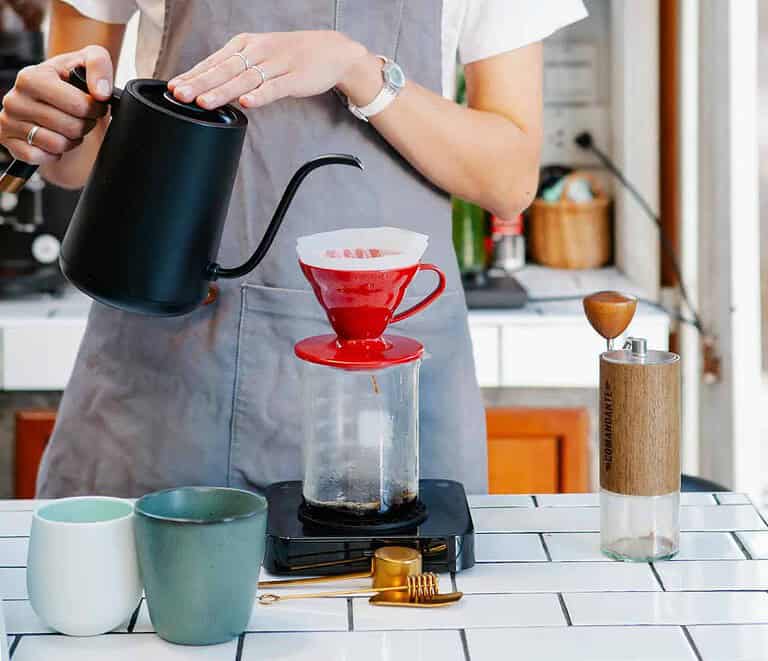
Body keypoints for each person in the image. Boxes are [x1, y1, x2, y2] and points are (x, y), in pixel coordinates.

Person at [0, 0, 587, 497]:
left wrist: (359, 72)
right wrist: (52, 118)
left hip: (383, 375)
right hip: (168, 367)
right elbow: (70, 164)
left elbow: (508, 181)